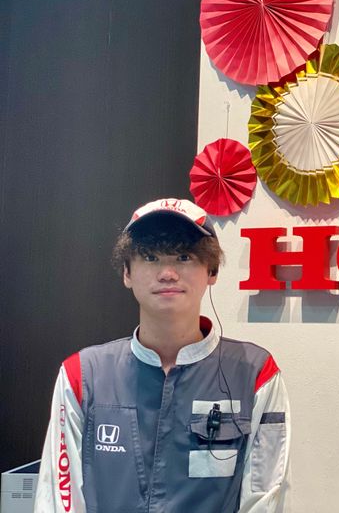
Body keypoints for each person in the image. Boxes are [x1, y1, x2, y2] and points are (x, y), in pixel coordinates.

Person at [34, 198, 289, 512]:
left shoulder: (255, 374)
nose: (167, 273)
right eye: (150, 257)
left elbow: (265, 499)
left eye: (184, 256)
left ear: (211, 271)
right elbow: (58, 501)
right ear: (127, 272)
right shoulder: (81, 376)